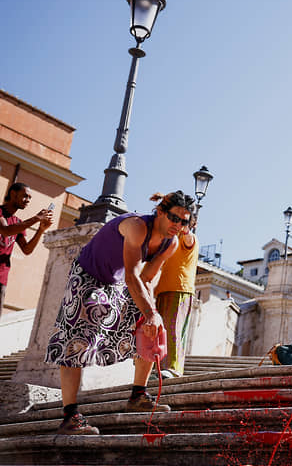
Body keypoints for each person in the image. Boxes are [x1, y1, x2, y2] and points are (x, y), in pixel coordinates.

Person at [44, 190, 195, 434]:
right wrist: (149, 311)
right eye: (174, 218)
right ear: (160, 212)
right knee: (77, 338)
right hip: (87, 275)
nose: (178, 225)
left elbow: (145, 278)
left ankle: (138, 395)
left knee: (152, 327)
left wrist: (150, 314)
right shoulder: (137, 227)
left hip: (119, 282)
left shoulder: (171, 243)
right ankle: (69, 416)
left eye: (184, 221)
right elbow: (133, 274)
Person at [153, 198, 200, 378]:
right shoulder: (169, 238)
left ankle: (174, 368)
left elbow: (188, 238)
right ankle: (162, 368)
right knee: (161, 330)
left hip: (180, 288)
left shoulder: (189, 238)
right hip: (163, 289)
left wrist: (185, 227)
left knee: (174, 328)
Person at [0, 183, 53, 318]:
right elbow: (6, 231)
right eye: (25, 196)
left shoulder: (19, 223)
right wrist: (36, 218)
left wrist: (41, 229)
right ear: (13, 194)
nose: (28, 200)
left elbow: (27, 249)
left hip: (2, 278)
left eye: (30, 198)